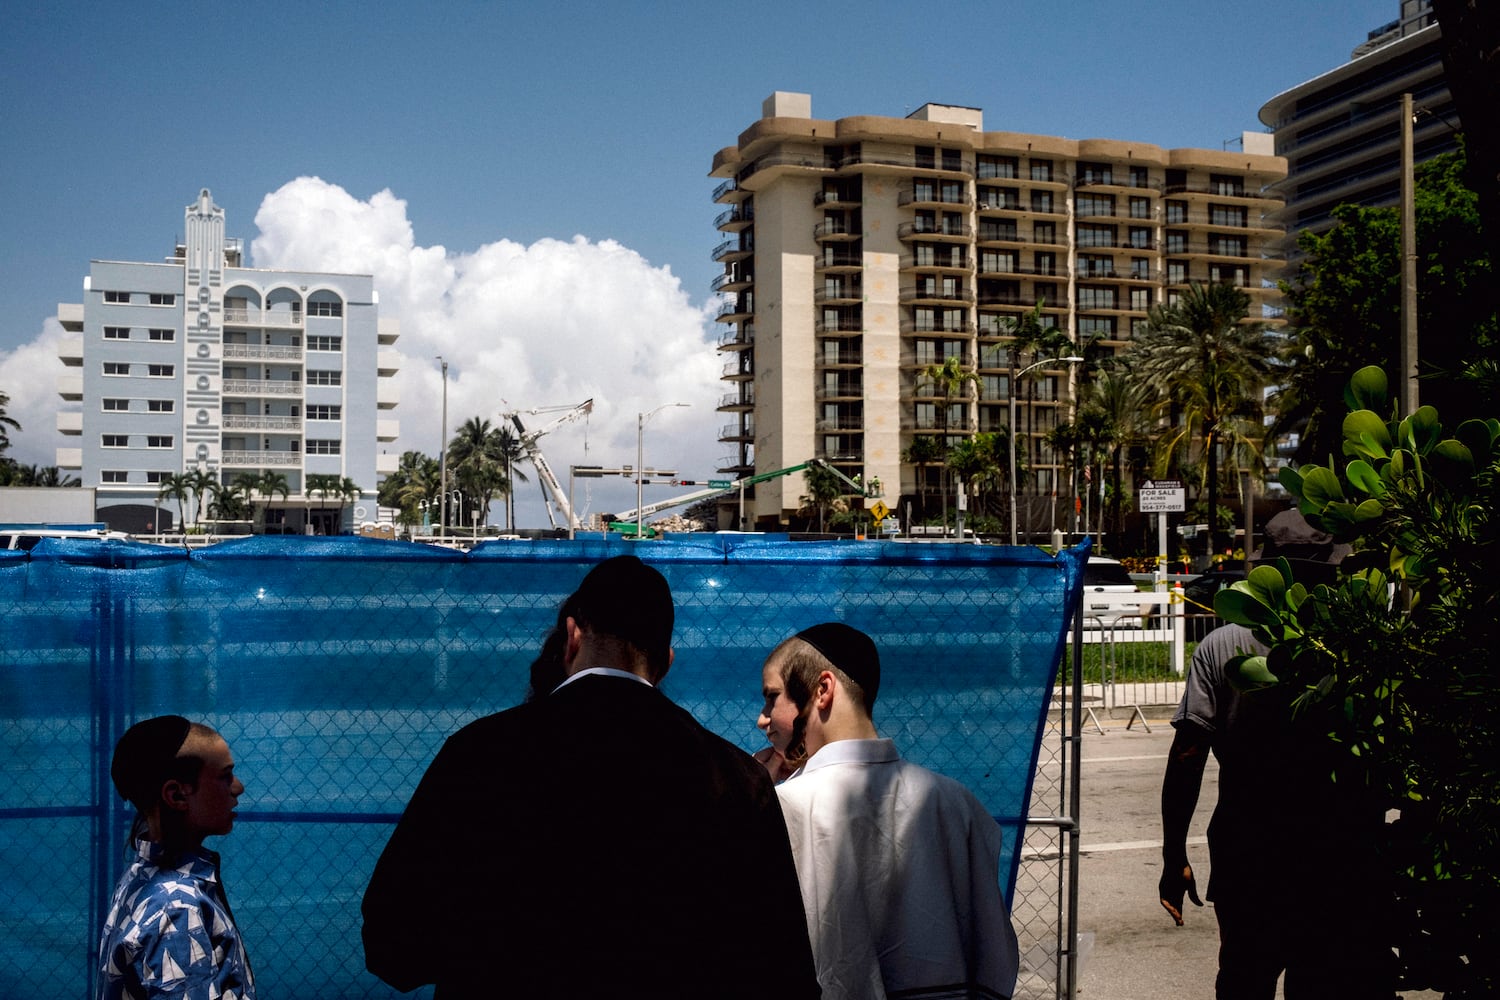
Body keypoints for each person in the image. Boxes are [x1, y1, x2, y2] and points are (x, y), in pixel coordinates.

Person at [362, 554, 819, 998]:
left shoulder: (480, 754)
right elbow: (782, 968)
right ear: (665, 662)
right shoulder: (737, 778)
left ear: (573, 636)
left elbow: (392, 943)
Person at [1159, 510, 1393, 998]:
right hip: (1337, 852)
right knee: (1324, 979)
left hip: (1248, 851)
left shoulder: (1221, 645)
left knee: (1245, 976)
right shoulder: (1362, 645)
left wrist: (1173, 854)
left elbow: (1187, 755)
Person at [758, 622, 1020, 1000]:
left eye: (772, 697)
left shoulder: (786, 806)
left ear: (822, 689)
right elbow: (995, 955)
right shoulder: (956, 802)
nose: (763, 717)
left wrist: (753, 791)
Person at [97, 715, 255, 1000]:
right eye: (224, 776)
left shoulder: (139, 875)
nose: (237, 787)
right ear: (177, 795)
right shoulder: (177, 908)